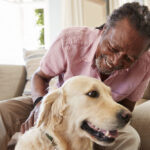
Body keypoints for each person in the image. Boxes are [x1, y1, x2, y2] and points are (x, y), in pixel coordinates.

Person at [0, 2, 150, 150]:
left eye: (129, 59)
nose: (115, 61)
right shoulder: (70, 40)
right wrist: (39, 105)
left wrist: (96, 124)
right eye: (113, 48)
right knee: (3, 112)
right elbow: (40, 77)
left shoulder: (144, 65)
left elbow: (126, 108)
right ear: (105, 29)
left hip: (100, 116)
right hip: (57, 104)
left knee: (130, 138)